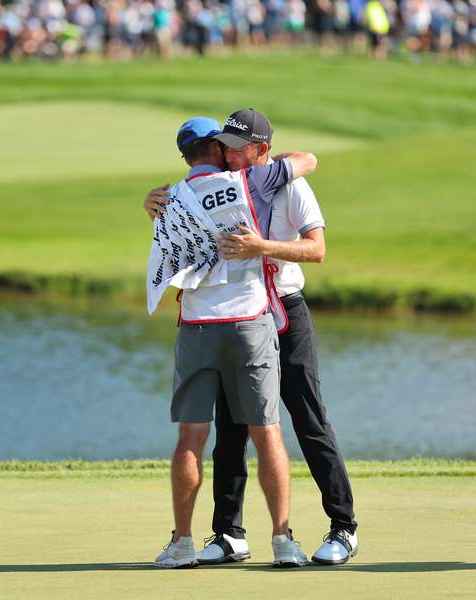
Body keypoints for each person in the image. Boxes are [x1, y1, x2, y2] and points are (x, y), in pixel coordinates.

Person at [147, 116, 318, 569]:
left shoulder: (167, 200)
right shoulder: (251, 180)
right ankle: (282, 540)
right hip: (248, 324)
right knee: (267, 434)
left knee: (190, 438)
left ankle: (182, 543)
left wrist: (148, 201)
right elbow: (308, 160)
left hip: (196, 326)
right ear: (218, 149)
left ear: (184, 155)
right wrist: (278, 157)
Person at [209, 108, 359, 566]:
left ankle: (343, 527)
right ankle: (229, 535)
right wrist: (153, 202)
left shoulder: (291, 187)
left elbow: (317, 249)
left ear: (262, 151)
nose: (229, 154)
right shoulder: (218, 185)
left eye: (238, 148)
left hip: (287, 313)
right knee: (232, 426)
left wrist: (263, 248)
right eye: (226, 146)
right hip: (238, 314)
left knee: (308, 419)